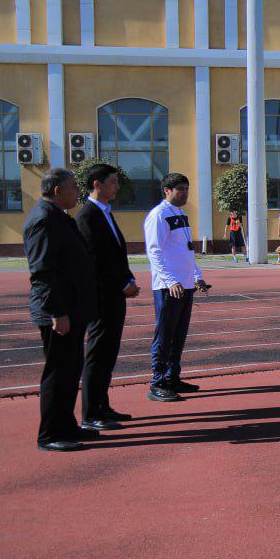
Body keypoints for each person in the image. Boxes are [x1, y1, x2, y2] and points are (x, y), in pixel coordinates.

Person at [23, 167, 99, 451]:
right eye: (72, 188)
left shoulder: (59, 218)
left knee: (70, 370)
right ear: (57, 190)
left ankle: (66, 425)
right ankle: (50, 435)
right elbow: (42, 272)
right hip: (59, 311)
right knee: (58, 372)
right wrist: (56, 312)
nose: (76, 194)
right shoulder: (43, 220)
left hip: (73, 309)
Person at [75, 162, 139, 430]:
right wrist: (121, 283)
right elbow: (96, 260)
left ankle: (103, 405)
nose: (117, 187)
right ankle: (91, 414)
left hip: (115, 295)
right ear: (96, 184)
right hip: (102, 297)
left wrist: (129, 278)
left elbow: (115, 254)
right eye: (112, 182)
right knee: (98, 354)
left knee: (109, 353)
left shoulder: (105, 213)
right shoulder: (87, 216)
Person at [144, 173, 211, 403]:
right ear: (167, 190)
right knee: (164, 336)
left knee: (178, 336)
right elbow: (154, 252)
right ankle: (158, 382)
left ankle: (173, 378)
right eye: (180, 189)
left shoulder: (181, 215)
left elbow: (187, 251)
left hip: (185, 285)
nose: (185, 193)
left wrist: (197, 276)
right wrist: (170, 280)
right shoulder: (159, 215)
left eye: (186, 188)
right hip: (168, 287)